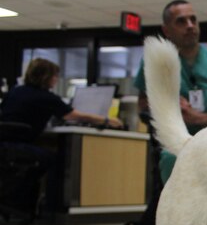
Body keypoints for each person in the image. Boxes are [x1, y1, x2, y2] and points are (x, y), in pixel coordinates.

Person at [134, 0, 207, 183]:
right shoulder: (158, 63)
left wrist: (199, 118)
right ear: (166, 30)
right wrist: (169, 106)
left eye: (193, 20)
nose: (190, 26)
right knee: (172, 159)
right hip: (179, 141)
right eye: (181, 21)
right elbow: (143, 104)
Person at [0, 58, 123, 216]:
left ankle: (17, 198)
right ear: (47, 77)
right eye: (55, 76)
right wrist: (106, 120)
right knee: (55, 160)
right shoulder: (46, 97)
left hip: (5, 144)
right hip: (17, 145)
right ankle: (50, 207)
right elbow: (72, 115)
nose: (56, 80)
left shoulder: (15, 91)